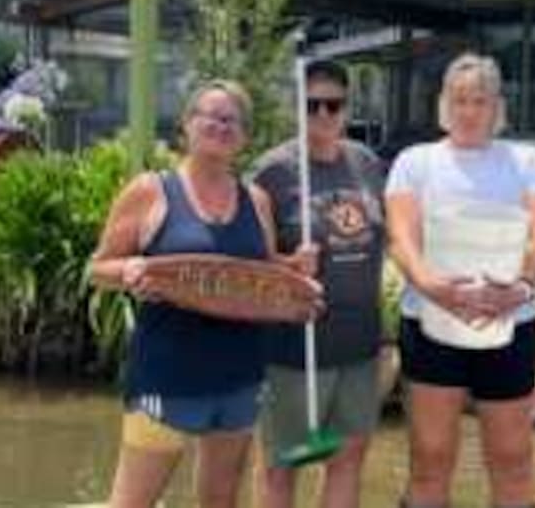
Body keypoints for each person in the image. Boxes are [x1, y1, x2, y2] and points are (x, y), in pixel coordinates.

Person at [89, 80, 316, 508]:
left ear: (244, 137)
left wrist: (293, 267)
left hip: (238, 375)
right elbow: (98, 267)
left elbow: (259, 270)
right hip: (165, 375)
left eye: (231, 120)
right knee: (132, 503)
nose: (219, 126)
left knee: (220, 499)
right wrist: (131, 269)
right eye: (208, 116)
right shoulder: (149, 191)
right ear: (186, 126)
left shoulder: (258, 201)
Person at [385, 53, 535, 508]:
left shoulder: (527, 161)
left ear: (497, 106)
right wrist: (431, 286)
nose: (468, 110)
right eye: (459, 99)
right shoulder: (414, 162)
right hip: (431, 323)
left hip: (510, 326)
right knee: (430, 457)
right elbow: (401, 239)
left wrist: (521, 287)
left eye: (479, 100)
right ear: (443, 103)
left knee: (512, 457)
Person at [252, 59, 386, 508]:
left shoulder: (367, 163)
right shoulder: (272, 171)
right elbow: (249, 260)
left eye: (334, 105)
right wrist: (289, 264)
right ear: (298, 108)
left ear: (348, 108)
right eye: (313, 105)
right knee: (282, 464)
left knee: (348, 458)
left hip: (359, 347)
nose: (324, 114)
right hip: (295, 350)